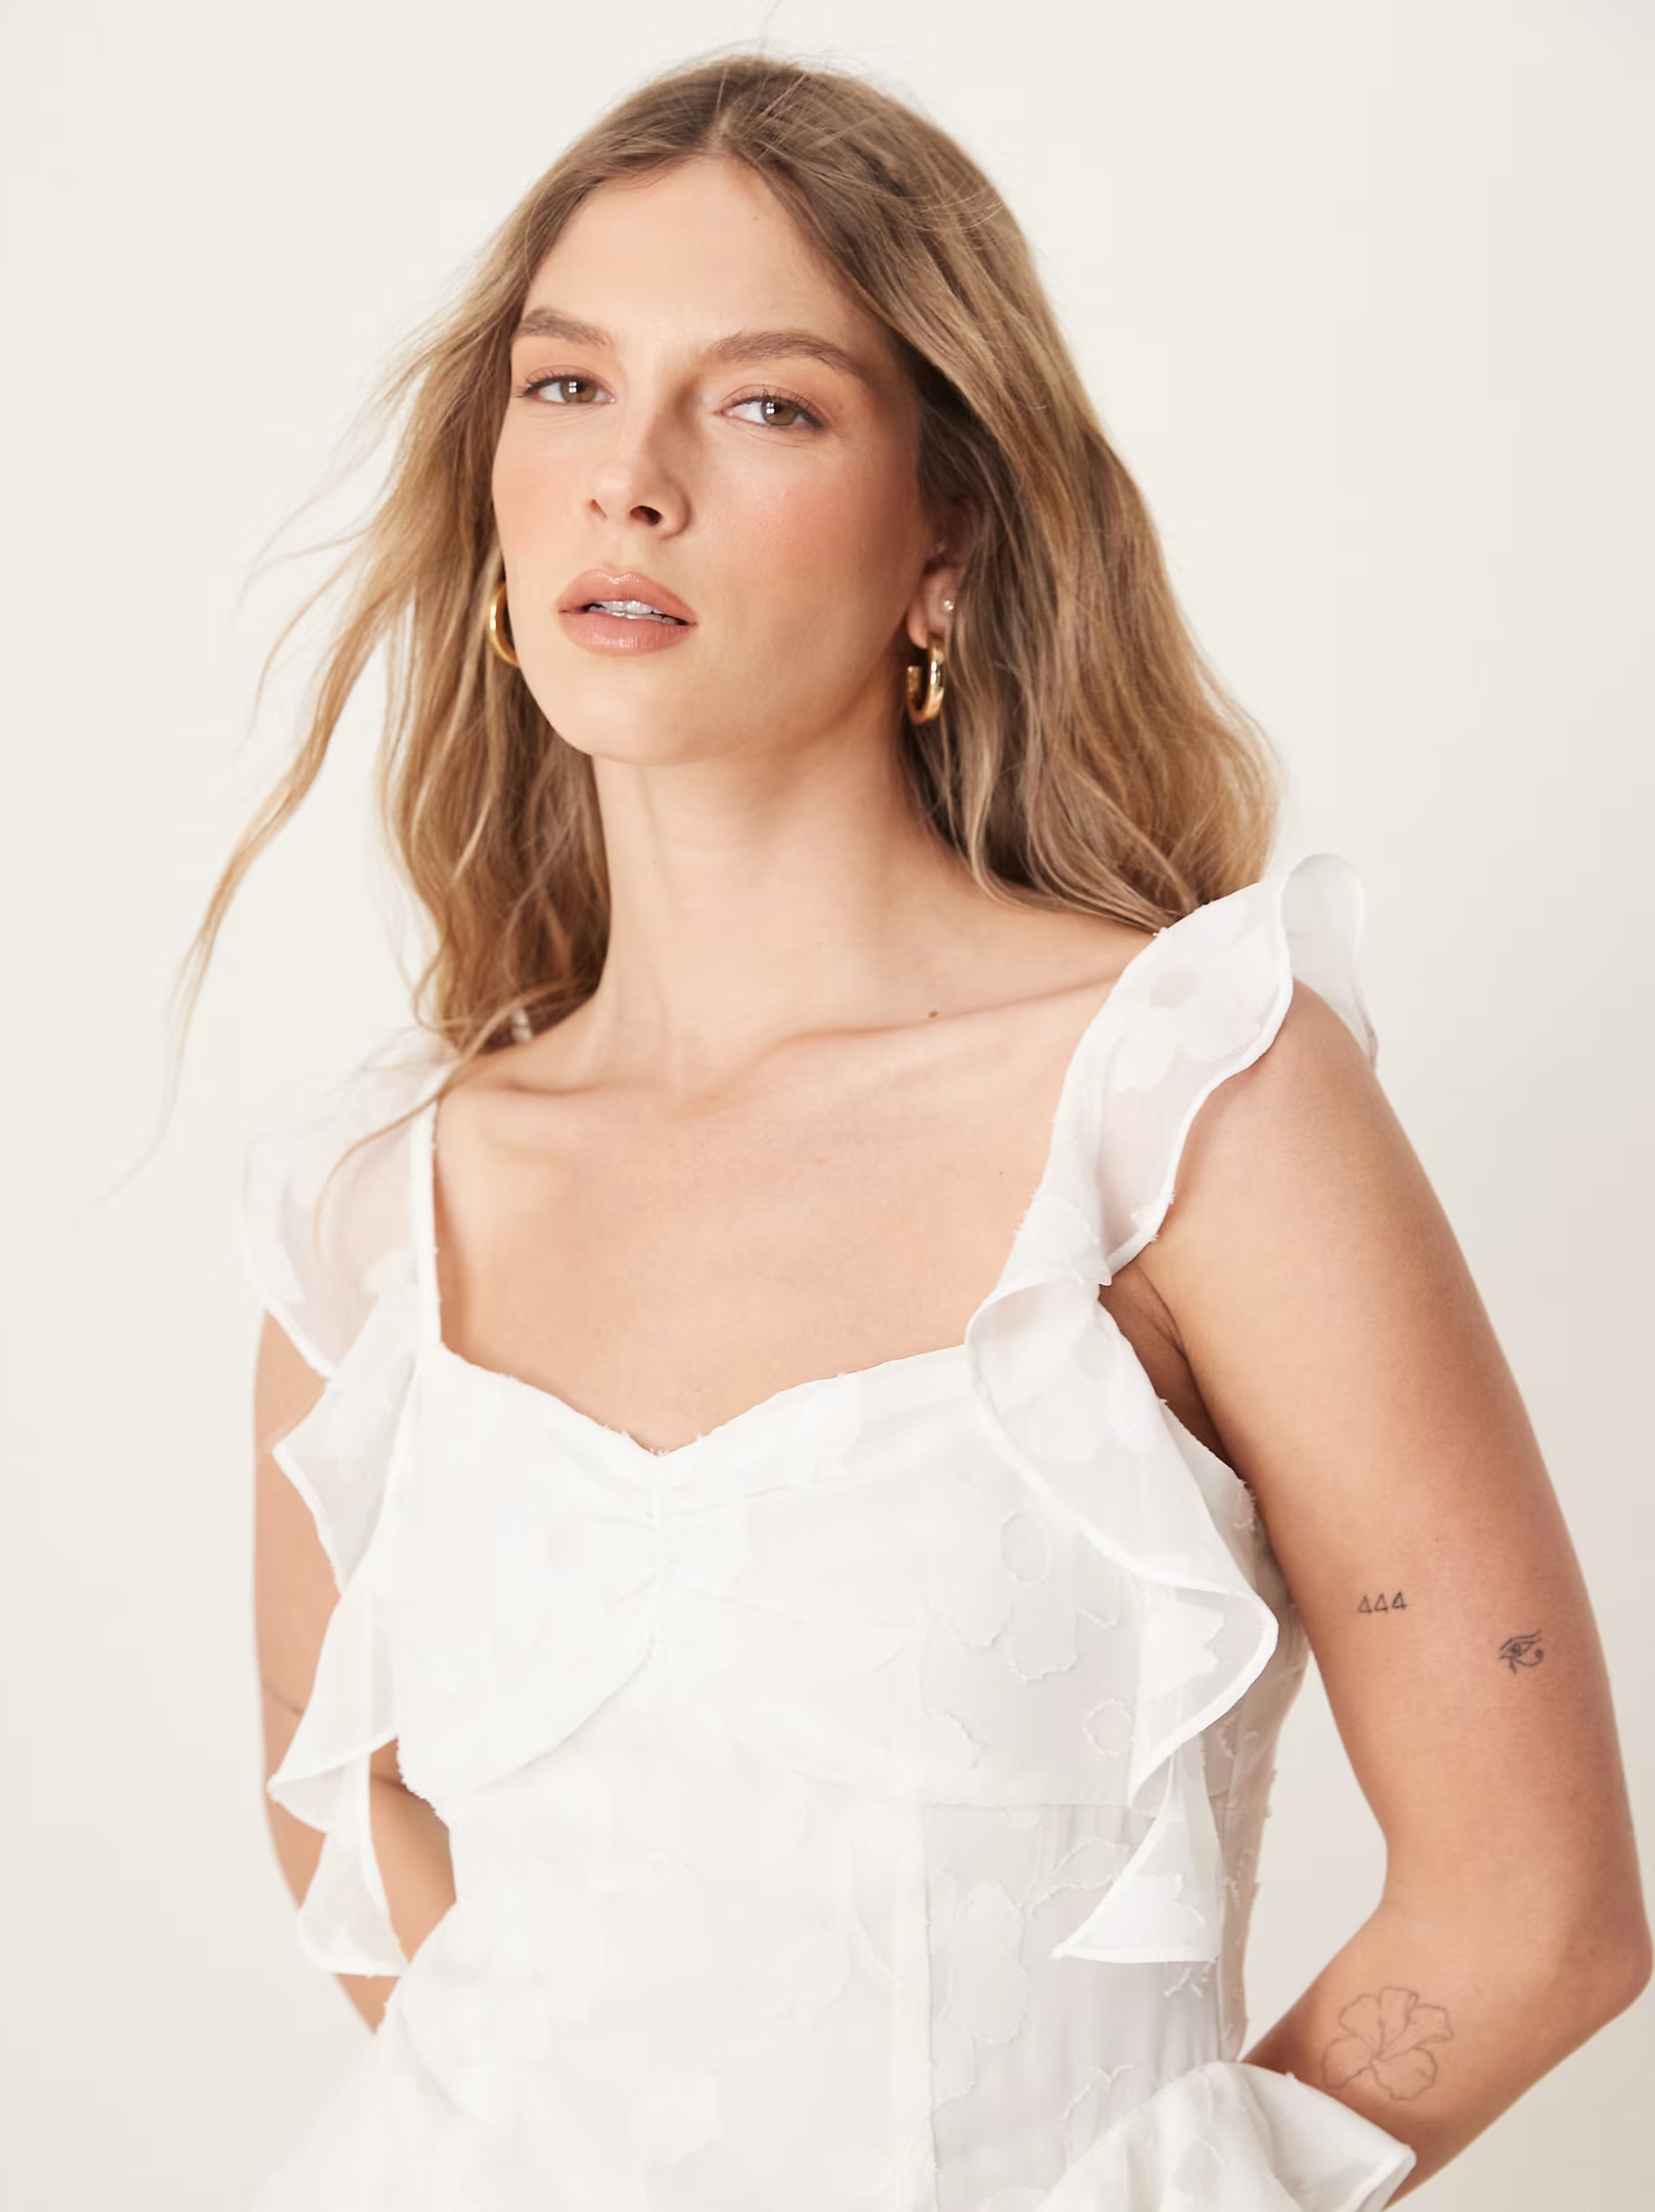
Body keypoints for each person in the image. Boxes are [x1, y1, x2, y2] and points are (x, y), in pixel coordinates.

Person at [203, 48, 1648, 2210]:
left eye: (765, 406)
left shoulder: (1191, 1096)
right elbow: (366, 1848)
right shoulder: (371, 1209)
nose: (630, 483)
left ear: (945, 540)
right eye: (568, 387)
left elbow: (1534, 1916)